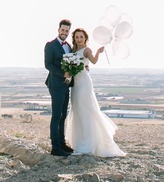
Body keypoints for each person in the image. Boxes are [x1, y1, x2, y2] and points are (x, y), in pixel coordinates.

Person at [64, 27, 125, 157]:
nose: (79, 39)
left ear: (85, 38)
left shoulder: (87, 50)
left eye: (81, 37)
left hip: (84, 83)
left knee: (86, 110)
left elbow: (93, 61)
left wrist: (98, 52)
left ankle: (87, 145)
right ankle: (79, 143)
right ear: (74, 38)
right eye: (76, 37)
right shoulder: (72, 50)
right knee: (77, 111)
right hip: (75, 84)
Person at [44, 19, 74, 156]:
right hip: (55, 84)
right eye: (62, 30)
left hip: (66, 85)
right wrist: (64, 73)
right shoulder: (50, 45)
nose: (64, 33)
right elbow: (48, 65)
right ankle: (55, 147)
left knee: (63, 115)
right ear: (58, 30)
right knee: (56, 116)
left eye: (67, 31)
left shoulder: (68, 46)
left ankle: (62, 144)